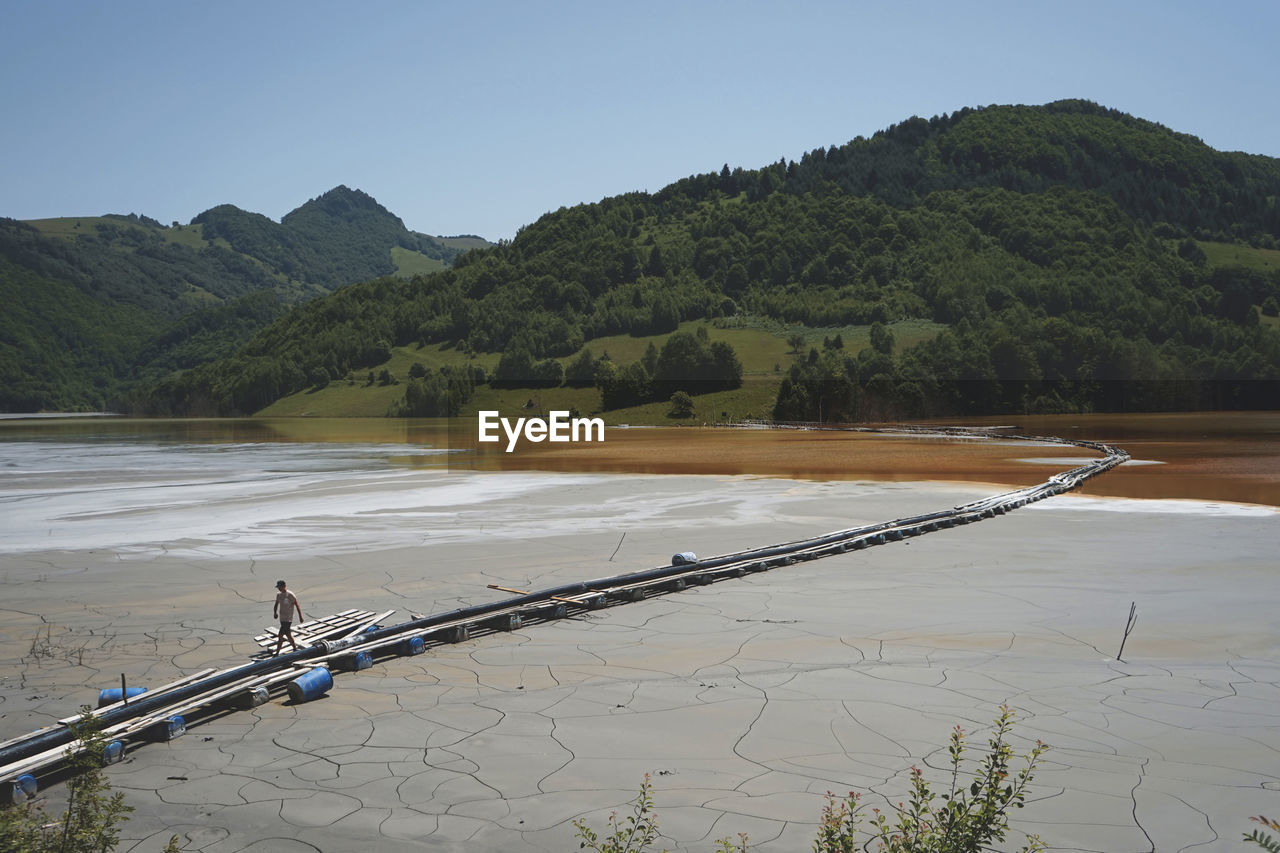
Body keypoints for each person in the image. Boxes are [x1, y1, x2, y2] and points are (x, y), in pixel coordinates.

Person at [272, 579, 305, 655]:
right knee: (288, 634)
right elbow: (276, 604)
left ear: (284, 586)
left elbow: (297, 605)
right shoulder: (279, 595)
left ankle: (277, 653)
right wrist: (275, 613)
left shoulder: (290, 595)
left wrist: (300, 616)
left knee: (280, 635)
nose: (279, 589)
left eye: (280, 587)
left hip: (288, 619)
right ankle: (295, 649)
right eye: (278, 587)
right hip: (282, 618)